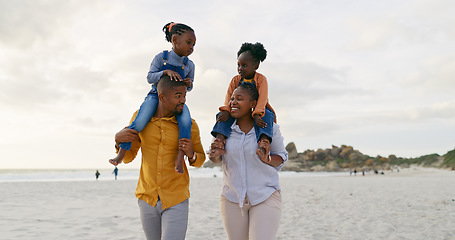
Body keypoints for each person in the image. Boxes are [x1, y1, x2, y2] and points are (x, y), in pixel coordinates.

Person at [111, 75, 206, 240]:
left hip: (176, 198)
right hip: (147, 198)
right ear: (161, 97)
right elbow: (128, 158)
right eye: (178, 96)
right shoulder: (140, 119)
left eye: (184, 95)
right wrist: (118, 139)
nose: (183, 100)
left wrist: (191, 153)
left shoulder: (189, 125)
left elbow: (200, 160)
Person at [109, 22, 196, 174]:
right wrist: (165, 72)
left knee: (186, 122)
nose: (192, 47)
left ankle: (180, 156)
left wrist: (188, 84)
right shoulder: (161, 58)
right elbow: (150, 77)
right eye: (189, 43)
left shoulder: (190, 65)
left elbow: (189, 87)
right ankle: (121, 153)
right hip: (156, 95)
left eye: (194, 44)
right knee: (140, 120)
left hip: (177, 100)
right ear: (175, 40)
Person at [208, 84, 288, 240]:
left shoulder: (270, 128)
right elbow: (215, 158)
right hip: (232, 198)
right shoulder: (223, 130)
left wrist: (268, 159)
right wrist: (215, 154)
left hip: (265, 196)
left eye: (239, 98)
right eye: (231, 99)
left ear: (253, 104)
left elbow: (282, 158)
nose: (233, 102)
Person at [211, 42, 276, 156]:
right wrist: (226, 110)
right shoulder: (235, 80)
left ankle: (263, 142)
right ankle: (219, 141)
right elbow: (229, 96)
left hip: (259, 108)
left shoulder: (261, 79)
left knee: (267, 116)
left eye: (244, 65)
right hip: (239, 108)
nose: (240, 68)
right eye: (238, 65)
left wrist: (257, 114)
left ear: (255, 65)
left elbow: (263, 98)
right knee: (221, 116)